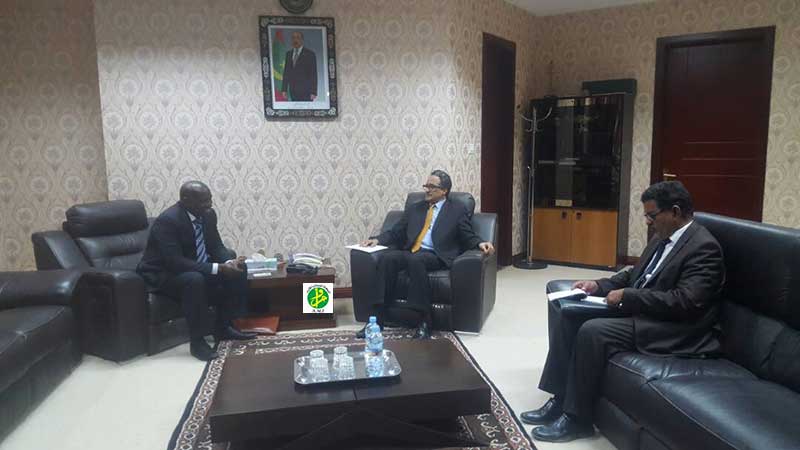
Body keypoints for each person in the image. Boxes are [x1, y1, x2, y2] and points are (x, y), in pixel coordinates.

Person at [521, 181, 725, 442]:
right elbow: (634, 275)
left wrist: (629, 296)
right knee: (570, 314)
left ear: (675, 211)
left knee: (594, 331)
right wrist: (598, 285)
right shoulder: (662, 237)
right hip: (645, 311)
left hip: (675, 328)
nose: (648, 222)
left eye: (652, 215)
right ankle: (560, 400)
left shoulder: (704, 248)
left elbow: (685, 302)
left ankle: (578, 420)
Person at [360, 170, 495, 339]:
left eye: (432, 186)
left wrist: (479, 243)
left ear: (444, 190)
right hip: (411, 251)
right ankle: (376, 320)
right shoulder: (415, 208)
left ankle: (424, 321)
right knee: (387, 259)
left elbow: (466, 233)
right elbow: (396, 232)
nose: (427, 190)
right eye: (426, 185)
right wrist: (377, 240)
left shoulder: (456, 210)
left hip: (437, 254)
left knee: (416, 261)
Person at [137, 181, 256, 361]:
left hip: (192, 267)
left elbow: (216, 246)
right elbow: (174, 261)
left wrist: (229, 262)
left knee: (238, 270)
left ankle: (224, 327)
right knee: (194, 280)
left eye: (210, 199)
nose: (209, 204)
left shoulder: (208, 214)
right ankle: (197, 342)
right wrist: (218, 268)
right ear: (185, 200)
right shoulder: (168, 221)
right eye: (203, 201)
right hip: (162, 273)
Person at [281, 31, 317, 102]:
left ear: (302, 40)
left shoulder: (310, 54)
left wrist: (313, 91)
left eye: (298, 37)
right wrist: (284, 89)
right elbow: (286, 73)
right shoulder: (288, 54)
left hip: (306, 91)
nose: (295, 40)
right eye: (293, 38)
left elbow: (313, 74)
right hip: (293, 90)